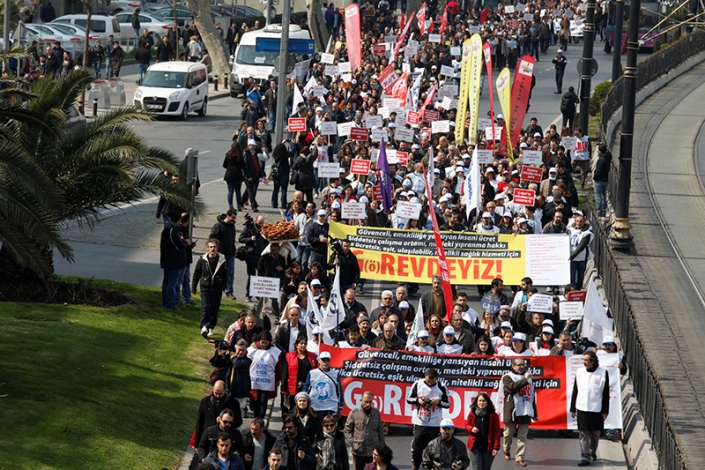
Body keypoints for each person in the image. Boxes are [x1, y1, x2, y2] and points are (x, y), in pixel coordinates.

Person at [406, 368, 451, 470]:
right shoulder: (418, 384)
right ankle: (416, 465)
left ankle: (430, 466)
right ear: (424, 376)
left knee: (433, 447)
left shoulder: (441, 386)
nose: (430, 384)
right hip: (419, 422)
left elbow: (448, 404)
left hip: (434, 423)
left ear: (436, 378)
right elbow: (408, 399)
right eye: (428, 381)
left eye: (432, 381)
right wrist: (418, 401)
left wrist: (438, 402)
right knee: (417, 446)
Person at [570, 351, 610, 466]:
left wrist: (605, 411)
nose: (584, 362)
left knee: (595, 433)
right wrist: (572, 408)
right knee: (583, 433)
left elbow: (605, 393)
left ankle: (592, 451)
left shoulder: (602, 373)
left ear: (593, 361)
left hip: (596, 408)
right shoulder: (580, 372)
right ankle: (585, 456)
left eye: (586, 360)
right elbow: (575, 390)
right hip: (582, 407)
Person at [501, 358, 537, 467]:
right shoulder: (507, 377)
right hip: (512, 410)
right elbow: (512, 388)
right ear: (513, 366)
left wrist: (535, 412)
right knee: (508, 434)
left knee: (523, 435)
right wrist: (525, 379)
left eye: (523, 365)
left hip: (525, 410)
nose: (521, 367)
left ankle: (519, 457)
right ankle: (506, 450)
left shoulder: (529, 378)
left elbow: (532, 395)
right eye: (519, 365)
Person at [192, 238, 229, 338]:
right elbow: (197, 274)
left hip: (217, 288)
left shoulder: (222, 260)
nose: (213, 249)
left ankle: (211, 327)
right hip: (205, 287)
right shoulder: (202, 260)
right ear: (207, 248)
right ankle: (204, 326)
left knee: (214, 308)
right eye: (211, 247)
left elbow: (226, 274)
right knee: (205, 307)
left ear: (218, 248)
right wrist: (194, 287)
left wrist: (224, 286)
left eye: (214, 247)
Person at [194, 380, 243, 454]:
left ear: (225, 390)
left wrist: (226, 423)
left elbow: (239, 421)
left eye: (220, 393)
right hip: (208, 439)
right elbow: (199, 422)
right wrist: (196, 443)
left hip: (226, 441)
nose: (217, 395)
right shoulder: (205, 402)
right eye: (216, 393)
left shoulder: (233, 403)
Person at [344, 391, 385, 470]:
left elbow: (380, 431)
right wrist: (353, 442)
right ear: (361, 400)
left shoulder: (376, 413)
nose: (368, 404)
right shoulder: (354, 413)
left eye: (370, 402)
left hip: (372, 450)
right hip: (359, 450)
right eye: (366, 402)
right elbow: (347, 430)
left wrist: (382, 446)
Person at [160, 210, 191, 310]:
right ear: (179, 219)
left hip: (166, 259)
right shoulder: (176, 230)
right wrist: (186, 243)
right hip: (175, 260)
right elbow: (180, 244)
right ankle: (171, 303)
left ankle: (165, 301)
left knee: (166, 281)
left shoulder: (166, 229)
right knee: (172, 283)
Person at [305, 351, 343, 429]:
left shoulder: (335, 374)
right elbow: (306, 389)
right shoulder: (312, 373)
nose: (325, 362)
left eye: (327, 360)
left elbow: (339, 391)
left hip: (330, 408)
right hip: (315, 408)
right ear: (319, 360)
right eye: (323, 360)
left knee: (330, 430)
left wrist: (340, 408)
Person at [247, 331, 281, 418]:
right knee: (254, 400)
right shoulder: (252, 349)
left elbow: (277, 366)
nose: (264, 345)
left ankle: (260, 418)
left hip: (267, 381)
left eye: (266, 343)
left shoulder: (274, 351)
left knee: (263, 401)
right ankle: (256, 416)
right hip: (254, 381)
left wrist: (277, 379)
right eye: (262, 342)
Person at [282, 336, 318, 414]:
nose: (303, 345)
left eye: (305, 343)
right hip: (294, 385)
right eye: (301, 343)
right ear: (296, 345)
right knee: (293, 408)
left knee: (306, 407)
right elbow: (285, 371)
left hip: (307, 386)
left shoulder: (312, 356)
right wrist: (283, 386)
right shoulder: (289, 356)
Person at [465, 393, 501, 470]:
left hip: (488, 447)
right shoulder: (472, 413)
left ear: (487, 402)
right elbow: (467, 425)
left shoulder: (493, 415)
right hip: (474, 446)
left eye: (483, 401)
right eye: (480, 401)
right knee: (477, 468)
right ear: (476, 402)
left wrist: (496, 447)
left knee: (486, 468)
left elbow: (496, 432)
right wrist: (471, 429)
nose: (481, 403)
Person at [210, 209, 238, 300]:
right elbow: (212, 239)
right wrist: (215, 249)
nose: (234, 219)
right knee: (218, 273)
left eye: (235, 218)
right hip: (221, 254)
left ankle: (229, 292)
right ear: (227, 216)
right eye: (232, 217)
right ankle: (215, 289)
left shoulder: (232, 226)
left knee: (230, 273)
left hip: (230, 254)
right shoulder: (218, 226)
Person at [239, 215, 267, 301]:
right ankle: (248, 295)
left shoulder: (264, 229)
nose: (261, 225)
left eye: (262, 223)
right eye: (259, 223)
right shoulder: (249, 228)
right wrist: (250, 239)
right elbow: (240, 239)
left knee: (261, 275)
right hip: (250, 256)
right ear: (255, 221)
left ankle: (258, 294)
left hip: (260, 256)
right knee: (251, 276)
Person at [567, 211, 593, 289]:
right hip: (572, 259)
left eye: (581, 221)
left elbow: (581, 246)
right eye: (577, 221)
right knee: (572, 277)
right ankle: (572, 290)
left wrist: (572, 256)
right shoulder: (570, 230)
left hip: (581, 258)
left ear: (584, 222)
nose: (579, 223)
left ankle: (578, 290)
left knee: (580, 277)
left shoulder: (587, 233)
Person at [593, 144, 612, 217]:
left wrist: (595, 177)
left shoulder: (601, 160)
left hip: (599, 180)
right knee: (604, 195)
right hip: (605, 179)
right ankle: (604, 210)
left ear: (600, 151)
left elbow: (599, 171)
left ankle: (599, 211)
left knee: (598, 196)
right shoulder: (608, 157)